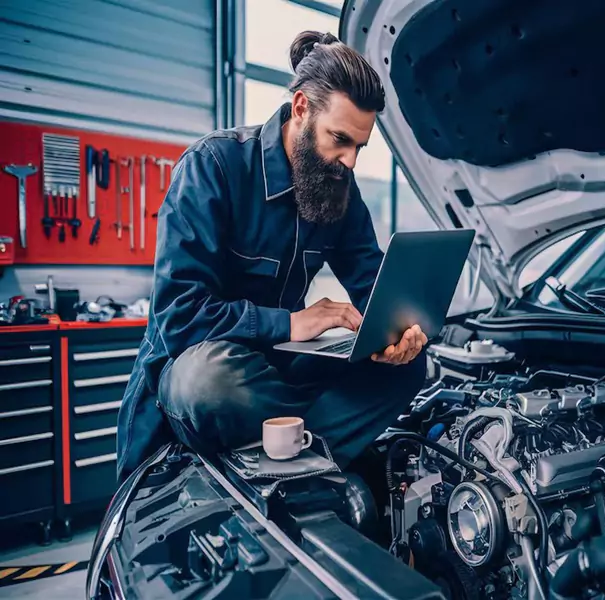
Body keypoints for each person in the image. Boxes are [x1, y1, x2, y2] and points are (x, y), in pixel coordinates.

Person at [115, 30, 428, 481]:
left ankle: (298, 451)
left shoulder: (338, 186)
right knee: (208, 382)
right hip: (205, 369)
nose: (350, 161)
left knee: (409, 368)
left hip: (280, 370)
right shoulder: (214, 167)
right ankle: (315, 443)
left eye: (359, 147)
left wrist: (402, 332)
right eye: (339, 139)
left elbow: (372, 282)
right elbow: (178, 316)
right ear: (301, 108)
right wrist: (290, 323)